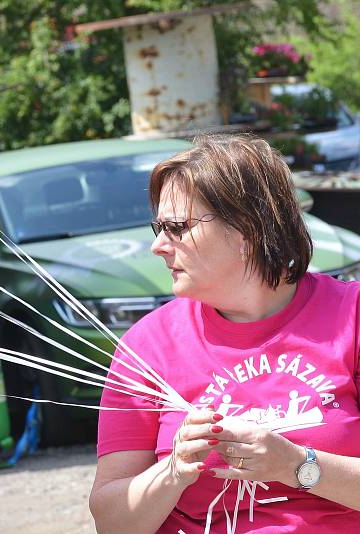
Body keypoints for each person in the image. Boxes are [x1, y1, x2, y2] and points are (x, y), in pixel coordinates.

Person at [89, 135, 360, 532]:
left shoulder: (349, 317)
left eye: (177, 227)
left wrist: (296, 465)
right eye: (158, 227)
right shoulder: (148, 345)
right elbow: (112, 524)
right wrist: (173, 472)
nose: (159, 246)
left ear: (246, 227)